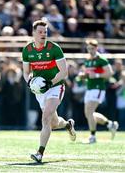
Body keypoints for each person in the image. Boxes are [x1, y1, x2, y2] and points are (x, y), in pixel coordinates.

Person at [22, 20, 76, 162]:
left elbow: (64, 72)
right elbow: (26, 72)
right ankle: (67, 124)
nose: (43, 34)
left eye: (45, 32)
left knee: (45, 117)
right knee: (53, 122)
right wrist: (29, 82)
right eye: (40, 32)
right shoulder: (27, 50)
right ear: (33, 33)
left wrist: (50, 83)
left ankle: (39, 153)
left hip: (55, 86)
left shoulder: (54, 48)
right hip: (40, 91)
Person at [78, 38, 119, 144]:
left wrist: (96, 75)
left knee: (90, 112)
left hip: (98, 88)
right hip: (89, 88)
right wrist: (83, 76)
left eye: (92, 48)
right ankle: (110, 124)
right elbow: (87, 73)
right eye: (88, 48)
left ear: (96, 48)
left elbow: (110, 73)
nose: (90, 50)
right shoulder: (87, 60)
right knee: (89, 114)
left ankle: (93, 136)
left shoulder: (101, 59)